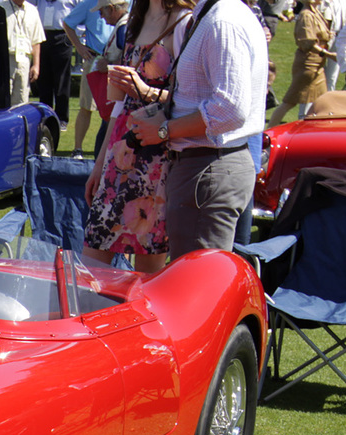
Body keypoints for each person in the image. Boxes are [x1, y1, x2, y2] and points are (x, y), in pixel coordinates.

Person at [128, 0, 268, 258]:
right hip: (207, 167)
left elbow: (230, 109)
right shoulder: (218, 15)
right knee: (199, 278)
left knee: (197, 285)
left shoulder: (222, 21)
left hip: (207, 168)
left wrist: (164, 130)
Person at [82, 0, 191, 272]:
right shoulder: (135, 20)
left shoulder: (185, 22)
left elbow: (191, 100)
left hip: (156, 157)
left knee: (148, 263)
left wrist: (144, 90)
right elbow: (119, 105)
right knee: (94, 253)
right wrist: (100, 163)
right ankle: (93, 315)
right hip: (119, 150)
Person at [64, 0, 126, 156]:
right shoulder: (89, 3)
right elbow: (67, 23)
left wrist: (112, 64)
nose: (100, 15)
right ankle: (78, 149)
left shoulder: (125, 14)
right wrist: (79, 47)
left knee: (112, 112)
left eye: (102, 11)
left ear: (111, 8)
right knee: (87, 107)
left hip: (113, 66)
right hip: (95, 60)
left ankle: (105, 153)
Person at [268, 0, 333, 124]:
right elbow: (307, 42)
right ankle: (270, 131)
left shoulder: (316, 12)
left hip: (318, 65)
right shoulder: (306, 15)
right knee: (290, 101)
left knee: (322, 100)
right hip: (308, 65)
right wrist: (328, 54)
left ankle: (314, 129)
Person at [31, 0, 75, 123]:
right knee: (43, 79)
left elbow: (80, 11)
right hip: (42, 34)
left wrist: (77, 34)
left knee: (61, 80)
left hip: (63, 36)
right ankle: (45, 116)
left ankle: (61, 118)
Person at [0, 0, 43, 103]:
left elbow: (36, 41)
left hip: (24, 61)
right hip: (5, 59)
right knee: (3, 100)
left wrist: (36, 65)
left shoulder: (33, 11)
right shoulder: (1, 9)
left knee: (21, 99)